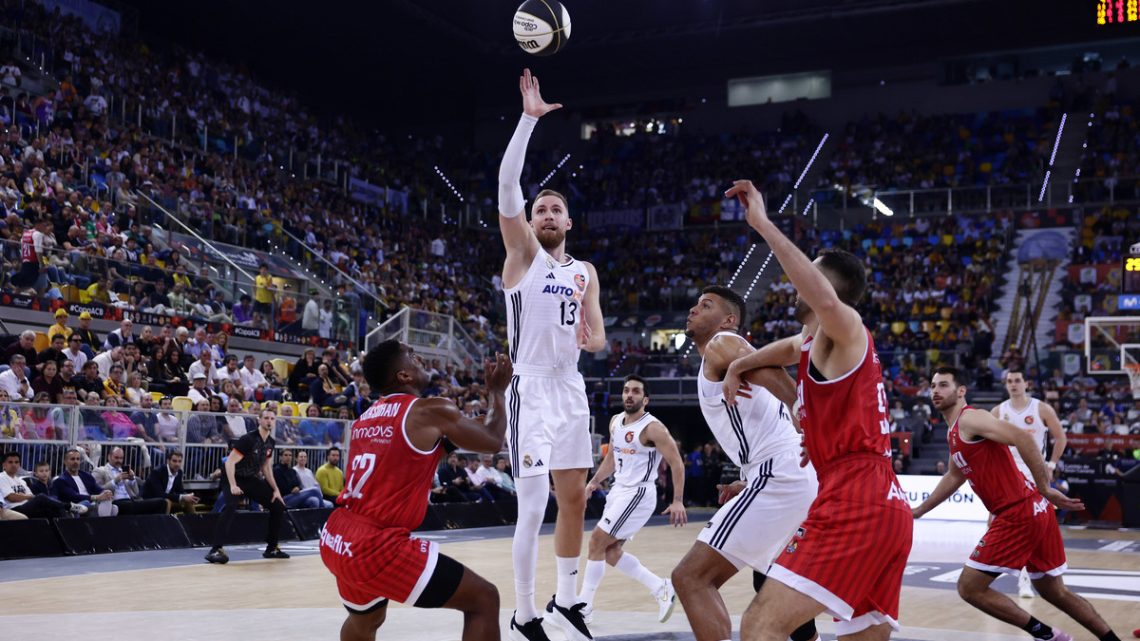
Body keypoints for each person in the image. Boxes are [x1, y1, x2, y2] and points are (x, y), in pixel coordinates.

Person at [721, 181, 912, 641]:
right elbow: (786, 348)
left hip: (856, 499)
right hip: (883, 504)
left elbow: (823, 301)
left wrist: (764, 226)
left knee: (760, 624)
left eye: (811, 272)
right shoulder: (816, 344)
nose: (798, 279)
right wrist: (740, 365)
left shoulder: (846, 327)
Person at [497, 68, 607, 641]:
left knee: (573, 498)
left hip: (571, 386)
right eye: (539, 208)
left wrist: (595, 339)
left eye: (554, 209)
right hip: (531, 386)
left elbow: (600, 335)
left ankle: (566, 602)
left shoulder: (585, 270)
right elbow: (507, 183)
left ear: (568, 222)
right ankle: (523, 611)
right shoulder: (522, 256)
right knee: (533, 504)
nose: (545, 214)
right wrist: (527, 120)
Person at [319, 340, 512, 641]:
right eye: (412, 356)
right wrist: (498, 392)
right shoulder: (428, 410)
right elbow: (491, 441)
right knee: (484, 599)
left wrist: (498, 411)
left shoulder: (365, 419)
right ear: (403, 376)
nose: (419, 358)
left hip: (337, 537)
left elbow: (463, 429)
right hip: (376, 544)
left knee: (366, 619)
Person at [914, 367, 1121, 641]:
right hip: (1033, 508)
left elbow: (1022, 437)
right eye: (932, 386)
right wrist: (918, 511)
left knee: (970, 587)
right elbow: (955, 475)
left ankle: (1047, 635)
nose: (935, 391)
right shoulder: (955, 430)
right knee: (1054, 591)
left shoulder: (971, 419)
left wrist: (1045, 487)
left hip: (1018, 511)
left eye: (943, 385)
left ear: (961, 390)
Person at [673, 287, 818, 641]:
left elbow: (769, 367)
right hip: (785, 473)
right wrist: (749, 479)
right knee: (770, 579)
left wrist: (802, 410)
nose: (694, 309)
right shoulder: (726, 357)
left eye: (705, 305)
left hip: (780, 472)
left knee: (692, 578)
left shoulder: (723, 342)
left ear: (729, 320)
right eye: (695, 303)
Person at [578, 375, 687, 624]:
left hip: (638, 493)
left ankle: (583, 606)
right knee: (611, 552)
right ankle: (660, 587)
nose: (629, 395)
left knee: (596, 541)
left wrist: (678, 499)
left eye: (636, 391)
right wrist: (595, 481)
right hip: (619, 490)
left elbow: (676, 463)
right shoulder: (616, 421)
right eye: (626, 390)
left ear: (645, 399)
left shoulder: (653, 428)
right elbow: (612, 459)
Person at [991, 368, 1068, 599]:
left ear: (1026, 383)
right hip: (1008, 473)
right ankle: (991, 571)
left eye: (1017, 380)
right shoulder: (997, 411)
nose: (1013, 384)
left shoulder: (1041, 408)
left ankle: (1029, 578)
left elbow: (1061, 438)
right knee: (994, 523)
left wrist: (1052, 465)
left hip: (1035, 471)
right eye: (1009, 381)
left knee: (1033, 527)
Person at [205, 408, 290, 564]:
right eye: (266, 418)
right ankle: (215, 549)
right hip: (232, 476)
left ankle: (271, 548)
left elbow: (266, 468)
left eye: (272, 418)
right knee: (230, 506)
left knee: (278, 506)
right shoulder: (248, 439)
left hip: (249, 478)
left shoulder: (271, 443)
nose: (269, 421)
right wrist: (232, 486)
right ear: (259, 420)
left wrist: (276, 490)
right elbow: (230, 462)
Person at [1, 451, 86, 517]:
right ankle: (69, 506)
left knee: (53, 510)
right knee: (41, 497)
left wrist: (23, 496)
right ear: (4, 465)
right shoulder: (2, 477)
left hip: (27, 506)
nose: (14, 465)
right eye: (10, 462)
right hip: (14, 508)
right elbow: (11, 497)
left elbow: (30, 497)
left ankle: (67, 534)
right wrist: (26, 496)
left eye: (16, 462)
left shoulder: (21, 481)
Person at [92, 447, 169, 514]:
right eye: (116, 458)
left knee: (162, 502)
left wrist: (132, 479)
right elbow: (97, 491)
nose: (119, 460)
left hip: (131, 500)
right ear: (109, 457)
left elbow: (136, 493)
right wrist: (115, 480)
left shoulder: (123, 471)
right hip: (115, 502)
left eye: (121, 458)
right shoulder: (100, 471)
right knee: (130, 506)